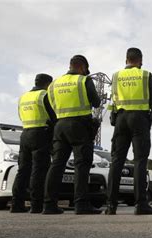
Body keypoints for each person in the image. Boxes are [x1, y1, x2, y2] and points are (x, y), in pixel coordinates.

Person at [43, 55, 102, 215]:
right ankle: (81, 204)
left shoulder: (54, 84)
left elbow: (46, 103)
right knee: (81, 165)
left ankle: (49, 204)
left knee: (57, 165)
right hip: (80, 126)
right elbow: (96, 102)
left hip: (60, 126)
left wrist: (57, 119)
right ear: (82, 67)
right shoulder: (83, 80)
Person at [105, 47, 152, 215]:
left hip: (120, 119)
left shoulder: (116, 76)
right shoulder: (145, 75)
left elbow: (112, 100)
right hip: (139, 119)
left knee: (117, 161)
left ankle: (110, 206)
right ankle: (141, 204)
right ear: (140, 60)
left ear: (126, 59)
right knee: (140, 161)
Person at [10, 74, 55, 213]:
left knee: (23, 170)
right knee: (39, 171)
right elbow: (53, 115)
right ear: (47, 84)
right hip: (40, 134)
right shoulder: (43, 95)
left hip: (25, 134)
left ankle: (16, 204)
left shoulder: (23, 97)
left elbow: (20, 116)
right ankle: (36, 205)